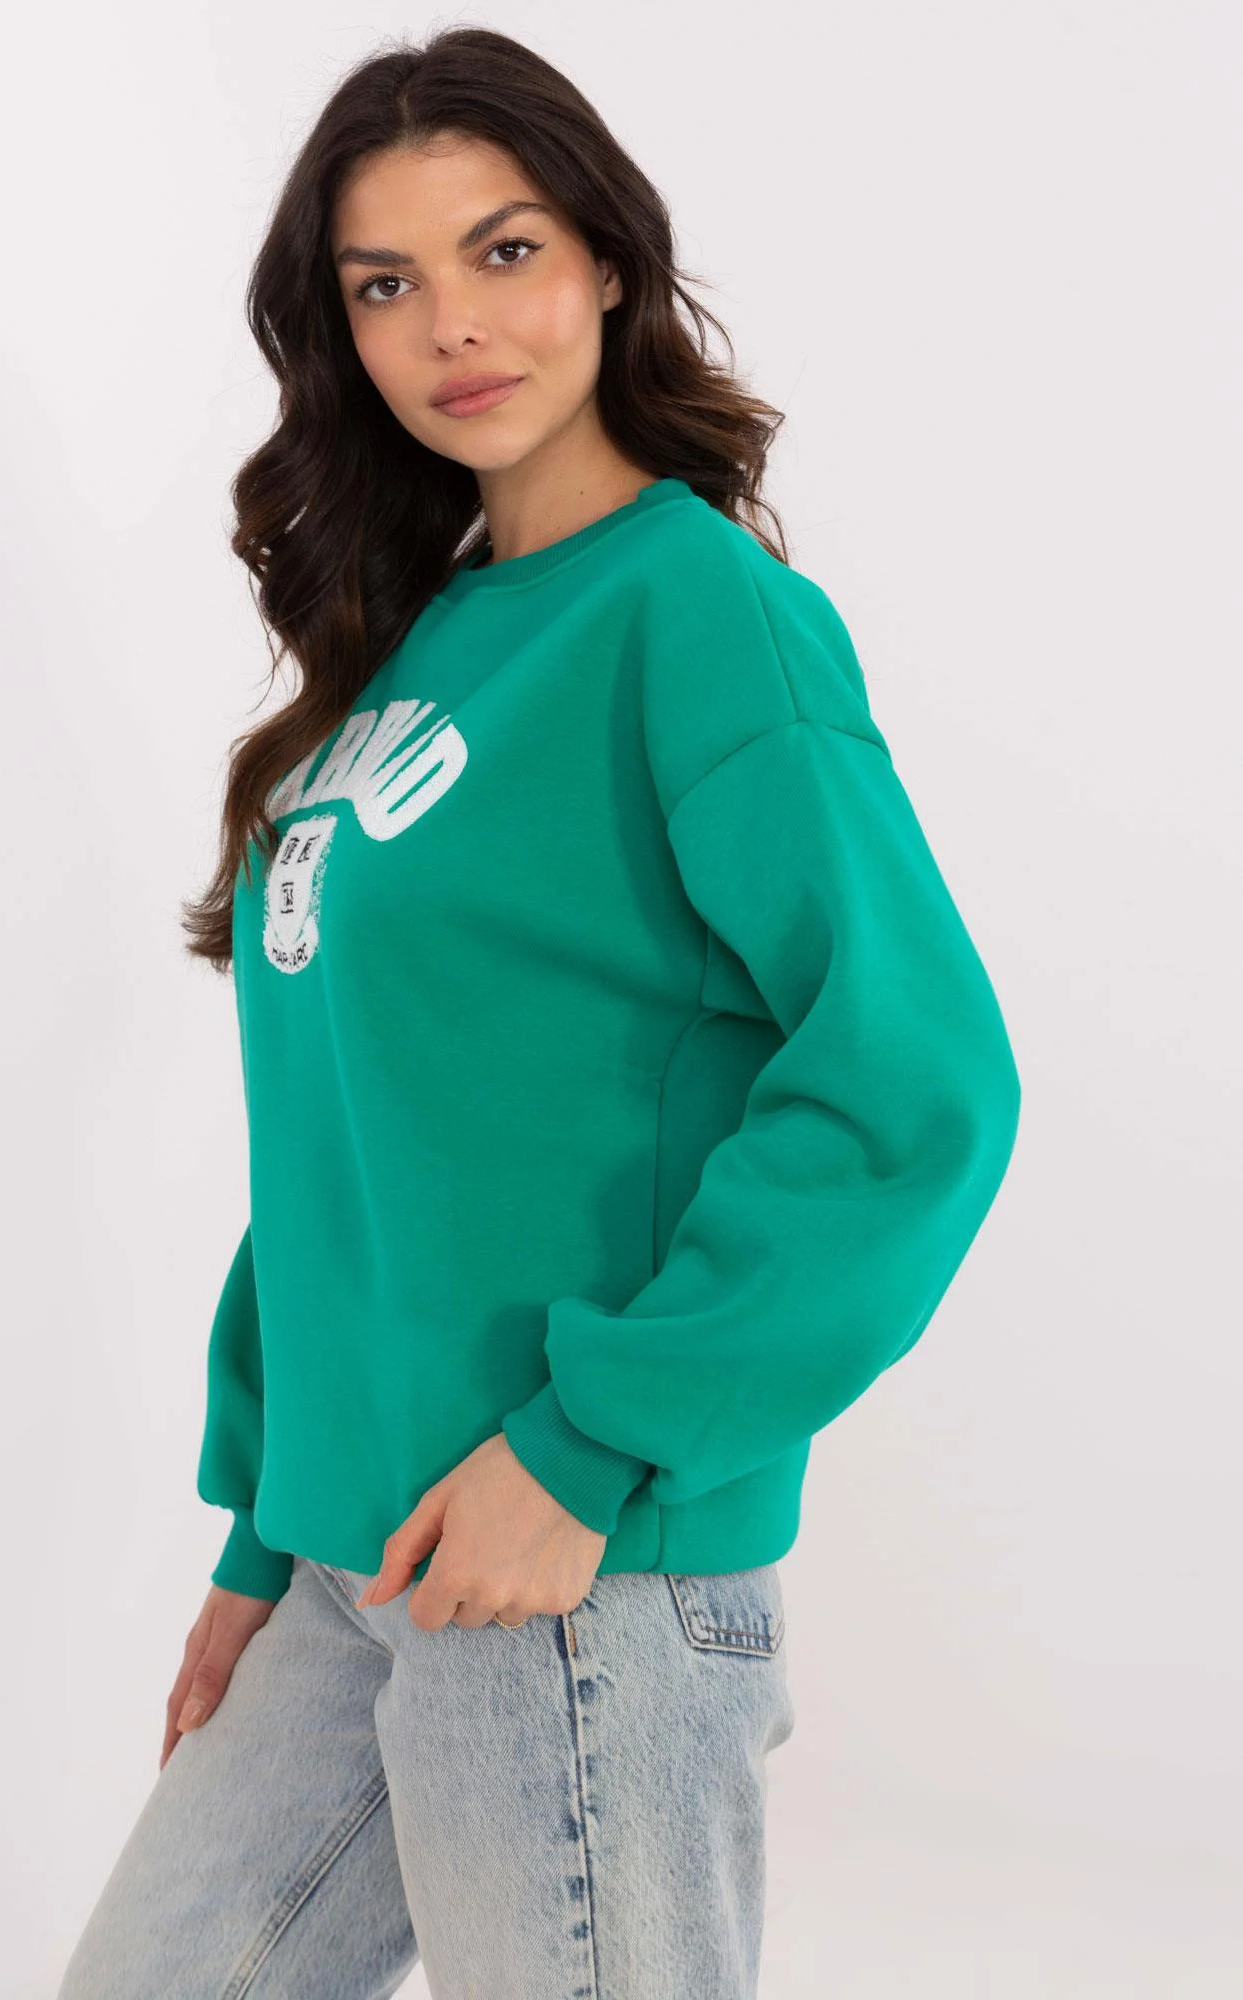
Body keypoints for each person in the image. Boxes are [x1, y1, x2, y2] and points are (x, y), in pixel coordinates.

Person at [55, 26, 1021, 2000]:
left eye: (502, 252)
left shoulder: (698, 612)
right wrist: (264, 1536)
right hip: (358, 1556)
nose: (452, 327)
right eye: (383, 283)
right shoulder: (413, 647)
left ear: (605, 260)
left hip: (576, 1567)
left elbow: (914, 1086)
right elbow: (360, 1134)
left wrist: (588, 1446)